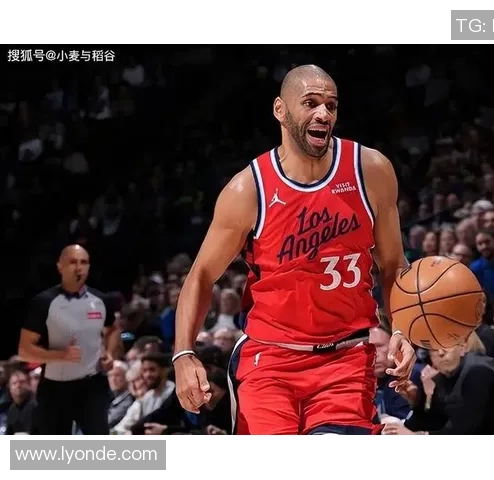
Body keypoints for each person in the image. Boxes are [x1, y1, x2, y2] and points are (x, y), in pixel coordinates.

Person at [173, 64, 415, 435]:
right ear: (280, 110)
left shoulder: (371, 170)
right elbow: (201, 275)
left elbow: (394, 264)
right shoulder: (248, 189)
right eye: (311, 103)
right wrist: (183, 352)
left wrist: (403, 327)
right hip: (270, 361)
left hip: (345, 360)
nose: (324, 114)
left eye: (331, 105)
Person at [17, 244, 120, 435]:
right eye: (73, 262)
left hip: (93, 386)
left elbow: (113, 329)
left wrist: (109, 353)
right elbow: (24, 351)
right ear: (60, 267)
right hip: (55, 388)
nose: (79, 267)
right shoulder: (44, 302)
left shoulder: (101, 300)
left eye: (83, 262)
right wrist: (61, 355)